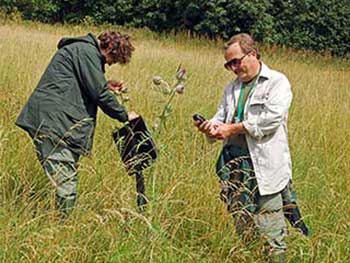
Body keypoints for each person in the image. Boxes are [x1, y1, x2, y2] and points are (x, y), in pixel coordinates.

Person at [194, 33, 308, 262]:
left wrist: (232, 129)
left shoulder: (277, 82)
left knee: (271, 229)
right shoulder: (231, 88)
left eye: (236, 61)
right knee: (241, 221)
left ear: (253, 54)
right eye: (228, 64)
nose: (233, 68)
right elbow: (221, 117)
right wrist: (211, 127)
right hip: (235, 168)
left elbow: (271, 119)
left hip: (266, 168)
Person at [16, 30, 138, 218]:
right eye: (113, 59)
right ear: (111, 48)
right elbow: (99, 93)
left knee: (64, 179)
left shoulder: (84, 51)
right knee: (66, 185)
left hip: (55, 122)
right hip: (53, 124)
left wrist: (105, 84)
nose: (111, 64)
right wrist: (124, 115)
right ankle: (62, 230)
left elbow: (85, 85)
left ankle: (57, 222)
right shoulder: (86, 51)